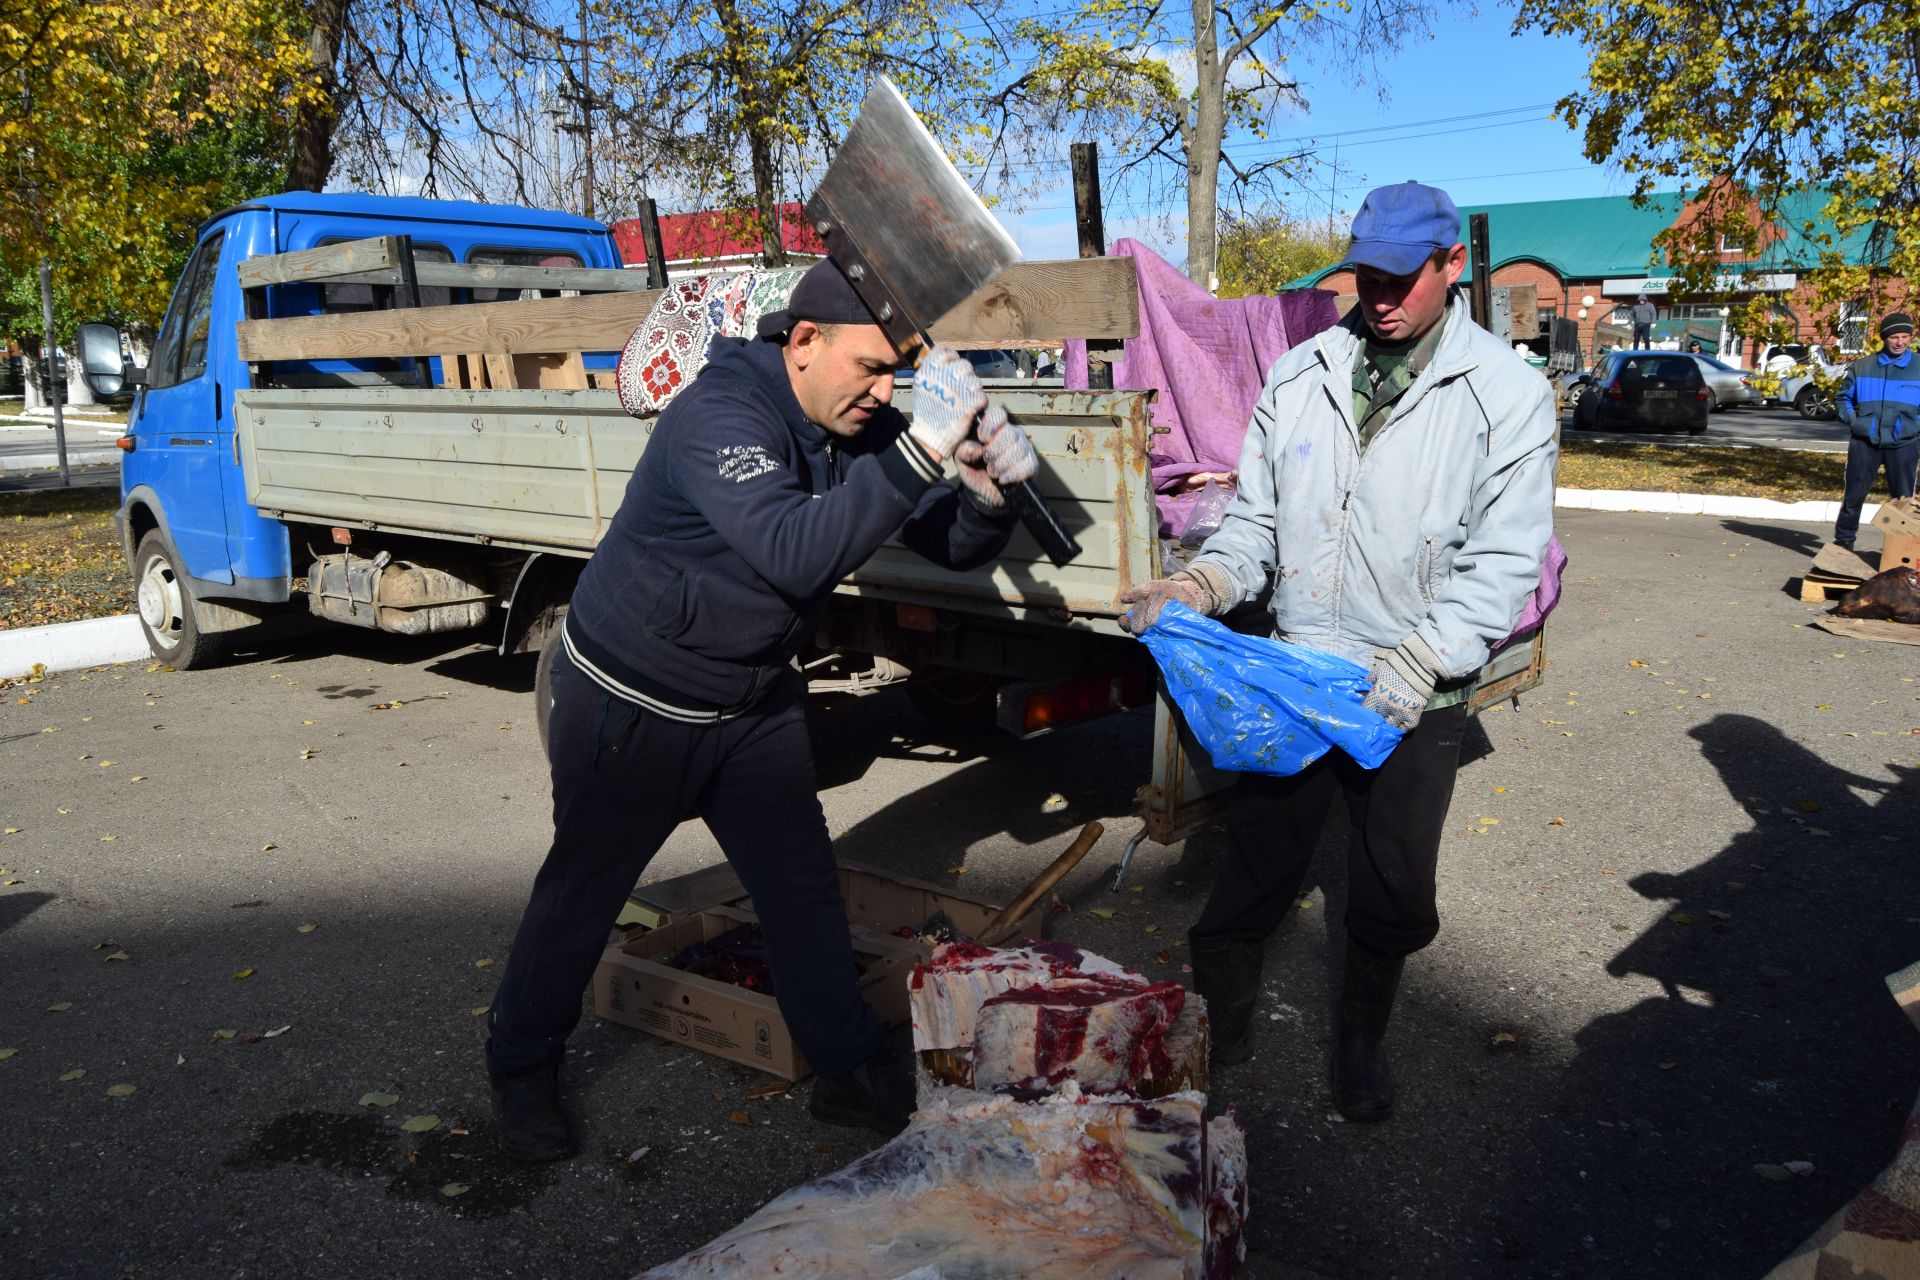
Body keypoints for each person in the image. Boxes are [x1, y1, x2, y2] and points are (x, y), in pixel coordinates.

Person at [484, 259, 1039, 1161]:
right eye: (870, 367)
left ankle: (850, 1074)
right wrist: (914, 453)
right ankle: (520, 1063)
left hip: (750, 700)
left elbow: (944, 541)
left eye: (897, 370)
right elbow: (791, 550)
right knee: (584, 893)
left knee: (800, 889)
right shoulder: (717, 416)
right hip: (633, 701)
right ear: (804, 342)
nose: (886, 389)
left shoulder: (852, 417)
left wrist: (983, 490)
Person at [1118, 181, 1558, 1123]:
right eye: (1368, 274)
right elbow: (1254, 525)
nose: (1384, 295)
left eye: (1405, 276)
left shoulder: (1507, 394)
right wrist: (1200, 585)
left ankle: (1359, 1043)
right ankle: (1223, 1031)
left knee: (1394, 887)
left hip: (1418, 694)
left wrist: (1426, 657)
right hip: (1300, 673)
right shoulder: (1303, 371)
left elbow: (1506, 556)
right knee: (1255, 868)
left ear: (1451, 268)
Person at [1832, 312, 1919, 550]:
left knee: (1903, 502)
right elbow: (1842, 399)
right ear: (1884, 338)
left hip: (1904, 444)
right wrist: (1856, 423)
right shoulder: (1862, 367)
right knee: (1853, 497)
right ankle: (1843, 544)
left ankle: (1901, 551)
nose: (1900, 342)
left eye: (1905, 336)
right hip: (1864, 443)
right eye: (1894, 337)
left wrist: (1913, 426)